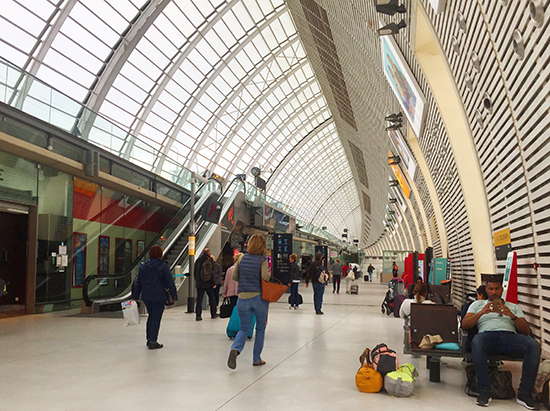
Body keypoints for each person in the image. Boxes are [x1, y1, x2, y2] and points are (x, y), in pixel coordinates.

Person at [462, 274, 541, 409]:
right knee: (477, 342)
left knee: (533, 345)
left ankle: (524, 394)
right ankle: (484, 391)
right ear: (486, 290)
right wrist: (481, 313)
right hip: (487, 337)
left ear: (501, 290)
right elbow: (465, 324)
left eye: (497, 289)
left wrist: (512, 316)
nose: (494, 292)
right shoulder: (477, 304)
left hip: (510, 337)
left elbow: (526, 330)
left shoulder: (513, 307)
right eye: (491, 289)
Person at [227, 234, 270, 369]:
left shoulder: (241, 258)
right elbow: (265, 277)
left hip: (243, 298)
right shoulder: (263, 259)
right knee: (260, 328)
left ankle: (235, 349)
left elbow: (235, 276)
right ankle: (256, 358)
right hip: (259, 298)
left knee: (244, 328)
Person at [132, 245, 177, 350]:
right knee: (156, 318)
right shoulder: (163, 266)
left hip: (146, 296)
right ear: (160, 254)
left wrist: (135, 296)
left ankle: (149, 339)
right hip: (159, 296)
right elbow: (170, 282)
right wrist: (174, 295)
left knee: (151, 317)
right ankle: (153, 341)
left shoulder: (143, 266)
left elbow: (138, 282)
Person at [194, 248, 219, 321]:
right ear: (209, 254)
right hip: (208, 283)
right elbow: (212, 273)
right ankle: (213, 313)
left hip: (200, 284)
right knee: (212, 298)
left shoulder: (198, 261)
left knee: (199, 299)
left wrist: (198, 281)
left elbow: (195, 272)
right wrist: (214, 282)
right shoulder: (210, 261)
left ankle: (198, 315)